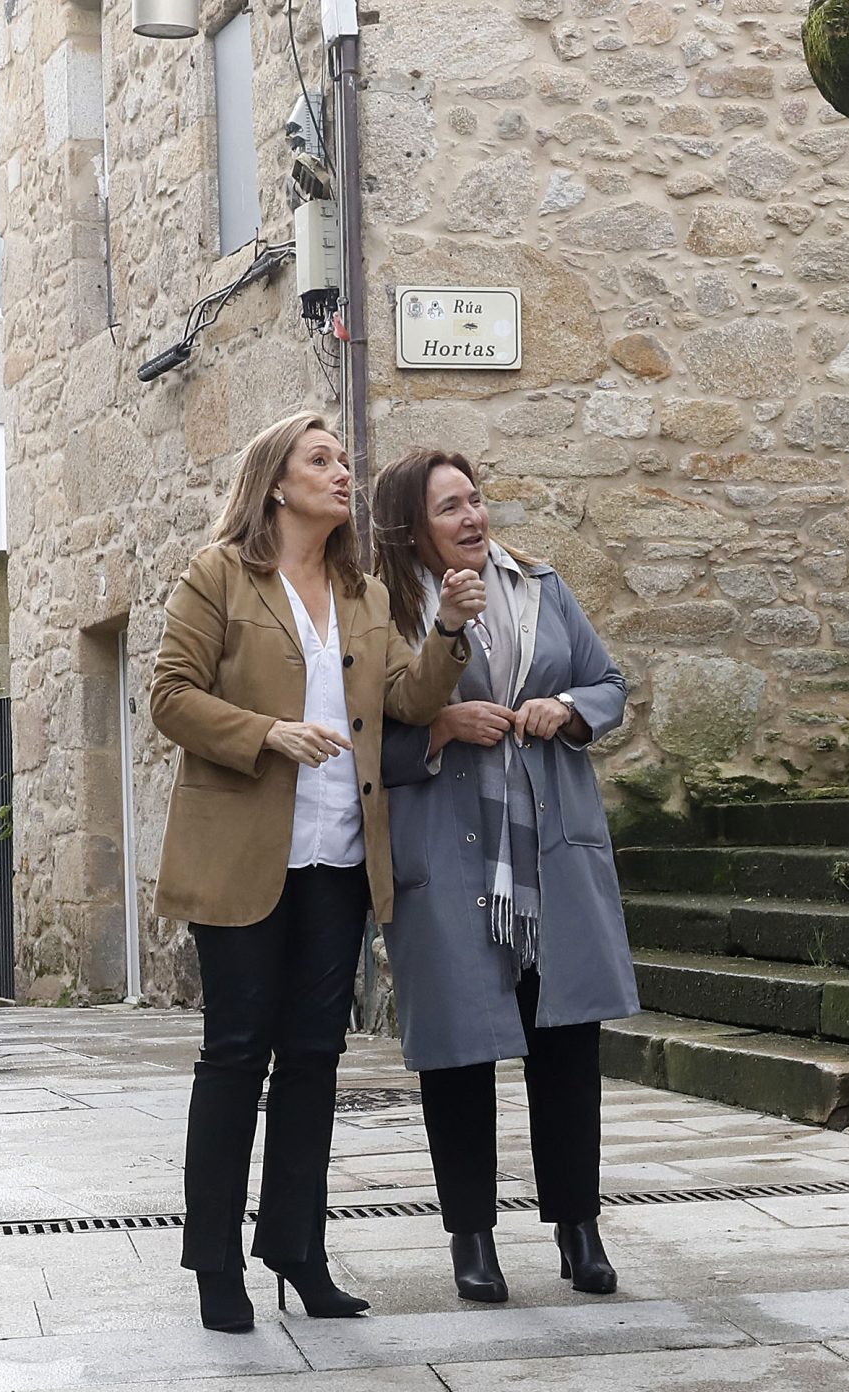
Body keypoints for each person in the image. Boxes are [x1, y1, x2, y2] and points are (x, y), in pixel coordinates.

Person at [149, 413, 485, 1333]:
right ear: (276, 483)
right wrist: (268, 734)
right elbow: (169, 695)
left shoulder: (366, 592)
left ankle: (297, 1247)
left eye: (344, 460)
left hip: (340, 855)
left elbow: (409, 701)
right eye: (322, 460)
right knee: (235, 1052)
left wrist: (450, 630)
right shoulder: (217, 574)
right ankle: (217, 1262)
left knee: (313, 1057)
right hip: (242, 858)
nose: (344, 473)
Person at [369, 448, 640, 1303]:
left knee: (566, 1041)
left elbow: (608, 681)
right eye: (449, 508)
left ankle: (578, 1227)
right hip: (451, 853)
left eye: (475, 499)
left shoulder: (541, 584)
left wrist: (567, 709)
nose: (473, 518)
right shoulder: (387, 609)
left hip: (550, 848)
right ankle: (472, 1239)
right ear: (413, 528)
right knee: (458, 1050)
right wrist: (439, 728)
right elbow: (367, 737)